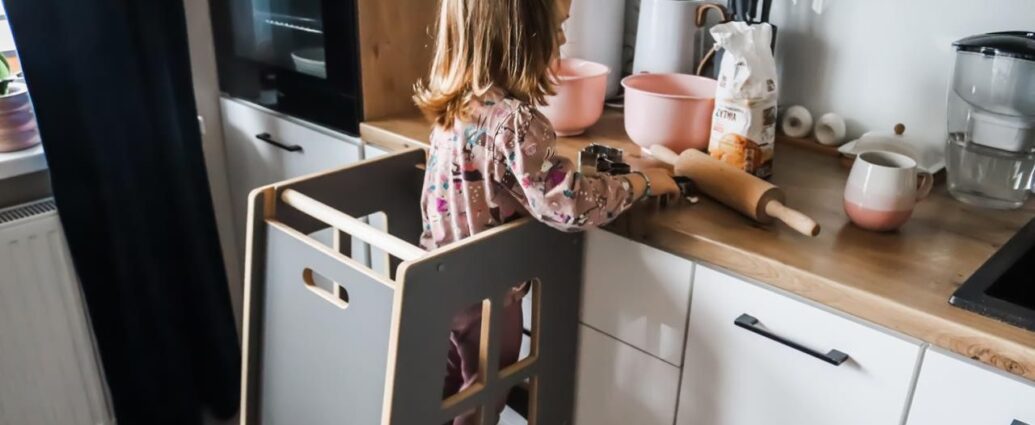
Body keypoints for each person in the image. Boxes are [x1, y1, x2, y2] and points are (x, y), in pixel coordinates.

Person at [413, 0, 679, 423]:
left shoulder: (456, 105)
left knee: (443, 395)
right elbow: (567, 205)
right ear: (520, 36)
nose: (562, 38)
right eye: (557, 26)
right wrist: (640, 184)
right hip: (487, 297)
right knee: (482, 403)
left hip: (438, 281)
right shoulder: (516, 122)